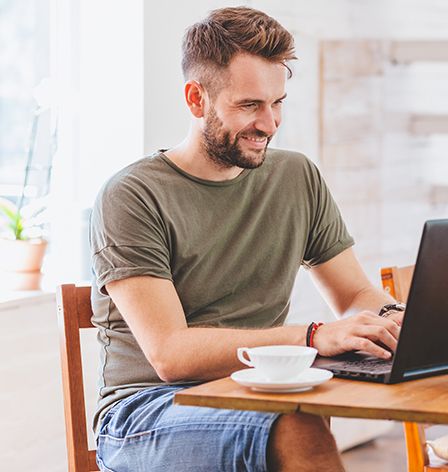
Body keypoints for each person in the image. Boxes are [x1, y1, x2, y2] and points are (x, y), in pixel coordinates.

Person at [89, 6, 404, 472]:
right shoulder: (133, 196)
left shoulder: (296, 177)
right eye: (249, 105)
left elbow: (354, 294)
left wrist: (404, 326)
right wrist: (315, 337)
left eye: (277, 103)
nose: (270, 124)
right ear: (196, 100)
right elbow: (171, 355)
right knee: (295, 424)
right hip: (145, 413)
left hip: (257, 387)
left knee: (298, 414)